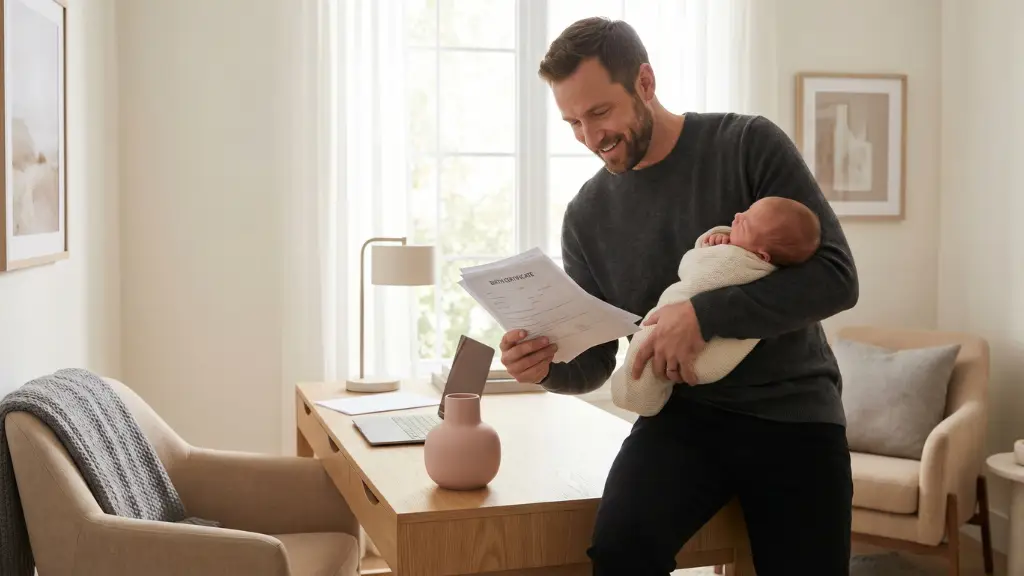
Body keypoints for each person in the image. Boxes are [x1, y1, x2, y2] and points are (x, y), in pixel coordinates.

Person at [496, 16, 859, 576]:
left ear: (644, 82)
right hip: (683, 420)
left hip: (793, 413)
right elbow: (595, 362)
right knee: (620, 553)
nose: (590, 139)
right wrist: (544, 366)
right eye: (572, 122)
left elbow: (836, 276)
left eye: (599, 113)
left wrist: (704, 315)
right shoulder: (586, 216)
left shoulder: (745, 144)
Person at [610, 196, 823, 417]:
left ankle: (635, 394)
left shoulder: (740, 264)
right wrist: (717, 240)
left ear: (762, 256)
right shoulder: (745, 251)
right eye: (746, 211)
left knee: (647, 348)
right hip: (698, 393)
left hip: (761, 391)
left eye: (746, 223)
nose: (738, 216)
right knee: (654, 358)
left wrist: (710, 250)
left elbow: (696, 268)